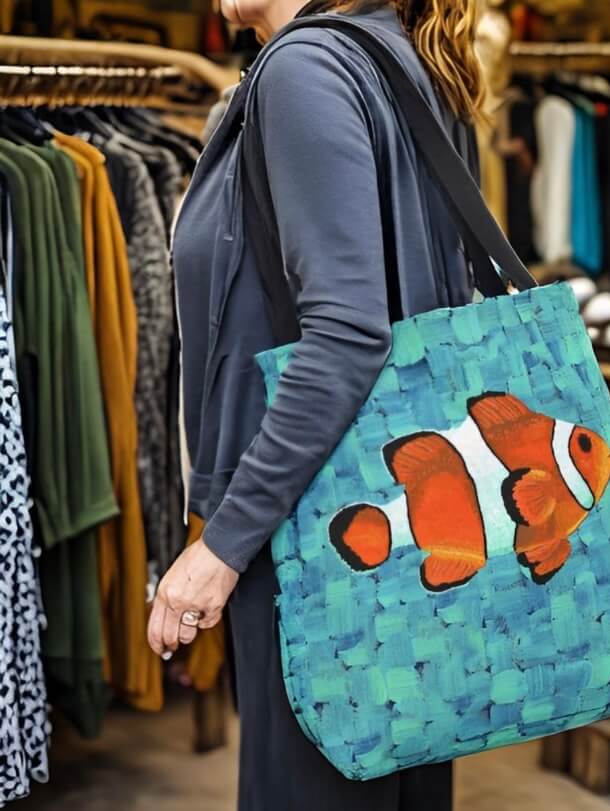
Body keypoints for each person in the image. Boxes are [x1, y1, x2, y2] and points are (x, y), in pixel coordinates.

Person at [147, 0, 485, 808]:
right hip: (411, 509)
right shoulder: (402, 60)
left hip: (318, 530)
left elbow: (345, 333)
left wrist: (220, 546)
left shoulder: (305, 71)